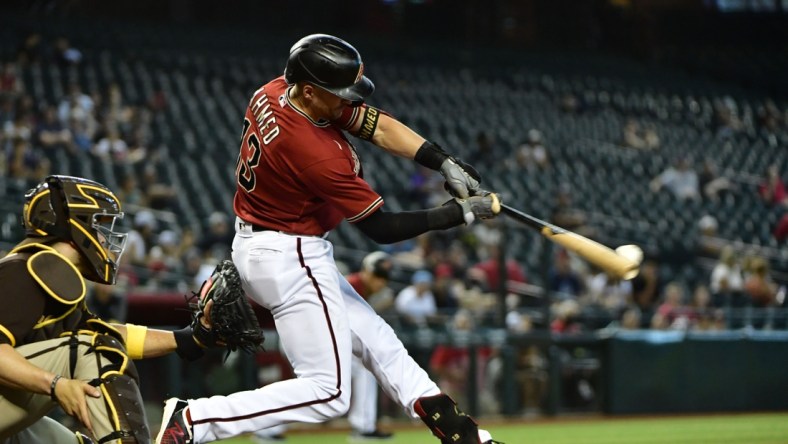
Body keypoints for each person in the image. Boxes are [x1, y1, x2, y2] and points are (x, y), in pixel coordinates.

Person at [155, 34, 501, 444]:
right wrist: (456, 214)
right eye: (338, 94)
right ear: (308, 90)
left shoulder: (275, 91)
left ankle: (463, 435)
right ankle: (195, 420)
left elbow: (375, 125)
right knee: (329, 392)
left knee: (378, 340)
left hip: (266, 243)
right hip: (291, 255)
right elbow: (381, 229)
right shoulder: (315, 152)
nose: (347, 102)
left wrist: (440, 160)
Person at [0, 175, 218, 444]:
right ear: (76, 227)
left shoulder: (52, 274)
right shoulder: (21, 270)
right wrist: (55, 384)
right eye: (100, 225)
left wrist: (188, 338)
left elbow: (106, 334)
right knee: (92, 350)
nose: (106, 238)